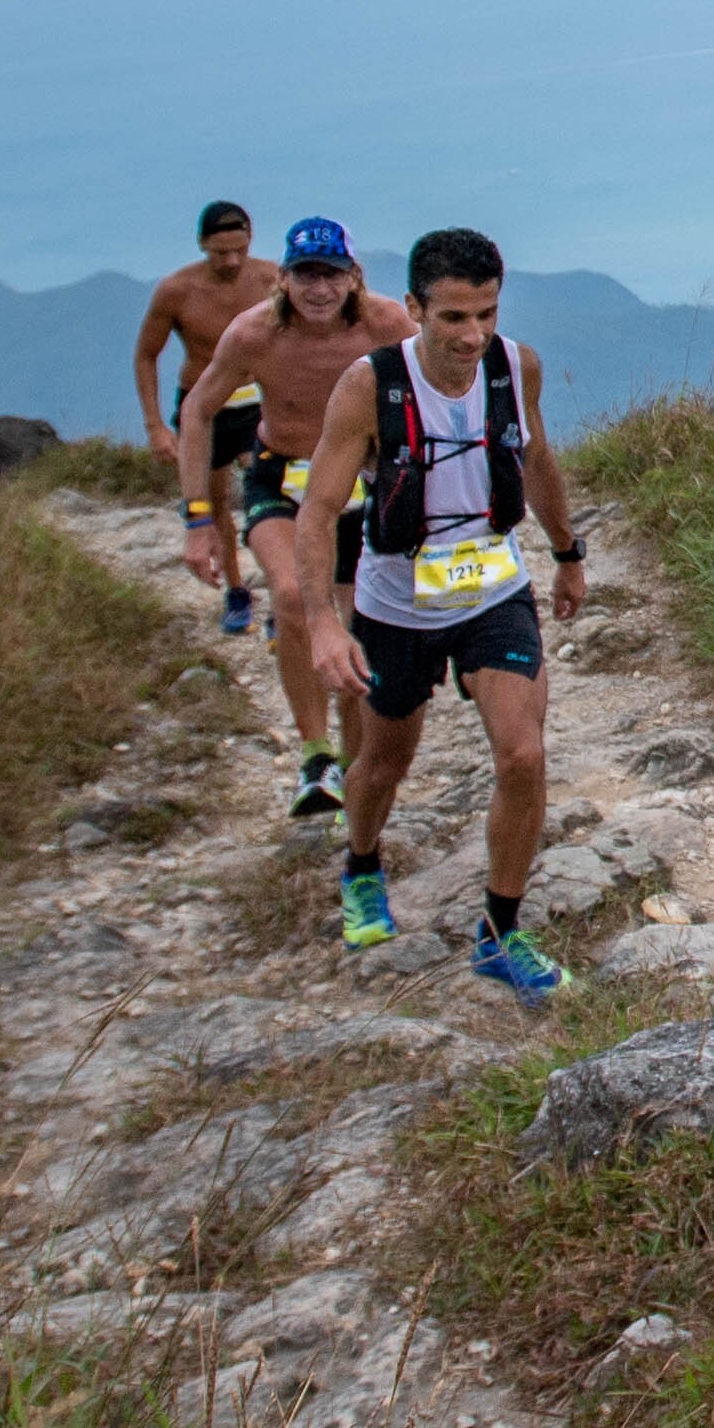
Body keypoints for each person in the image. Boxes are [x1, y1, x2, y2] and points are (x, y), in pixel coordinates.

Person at [294, 229, 589, 982]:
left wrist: (566, 551)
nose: (473, 334)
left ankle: (501, 930)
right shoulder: (371, 385)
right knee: (384, 762)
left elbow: (536, 457)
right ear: (414, 308)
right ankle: (361, 863)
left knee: (522, 753)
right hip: (398, 602)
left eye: (486, 313)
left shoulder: (515, 368)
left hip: (495, 589)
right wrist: (325, 623)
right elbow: (320, 508)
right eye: (454, 317)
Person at [176, 216, 416, 824]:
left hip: (365, 484)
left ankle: (354, 770)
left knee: (360, 621)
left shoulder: (386, 324)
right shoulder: (253, 334)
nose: (319, 289)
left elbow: (441, 384)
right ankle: (315, 755)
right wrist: (199, 517)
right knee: (291, 594)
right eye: (306, 275)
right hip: (281, 477)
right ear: (282, 279)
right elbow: (199, 412)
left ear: (353, 278)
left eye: (331, 275)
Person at [134, 200, 278, 637]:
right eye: (220, 253)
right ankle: (236, 592)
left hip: (259, 400)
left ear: (251, 239)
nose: (231, 261)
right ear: (202, 245)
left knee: (271, 496)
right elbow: (146, 354)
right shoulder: (176, 291)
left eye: (238, 249)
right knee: (215, 504)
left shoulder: (273, 279)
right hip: (204, 405)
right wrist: (156, 425)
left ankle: (281, 600)